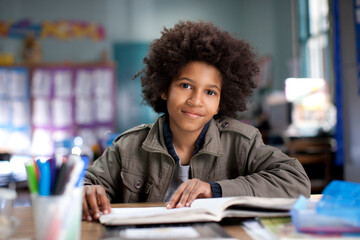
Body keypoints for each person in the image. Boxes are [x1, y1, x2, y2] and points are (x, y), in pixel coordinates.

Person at [82, 20, 311, 222]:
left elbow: (295, 181)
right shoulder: (127, 147)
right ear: (164, 89)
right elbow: (84, 184)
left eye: (210, 92)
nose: (196, 100)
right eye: (185, 86)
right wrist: (86, 192)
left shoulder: (242, 141)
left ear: (221, 101)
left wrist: (216, 190)